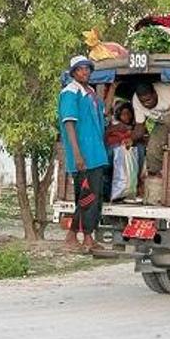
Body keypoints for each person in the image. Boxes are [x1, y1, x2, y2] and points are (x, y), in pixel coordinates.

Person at [58, 55, 109, 250]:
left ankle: (73, 236)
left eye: (87, 68)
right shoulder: (70, 92)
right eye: (80, 69)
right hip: (84, 154)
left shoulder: (90, 93)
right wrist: (77, 154)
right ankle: (87, 237)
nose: (85, 72)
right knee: (89, 197)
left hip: (95, 153)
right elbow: (69, 123)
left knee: (87, 197)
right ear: (73, 73)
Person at [132, 82, 170, 177]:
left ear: (155, 93)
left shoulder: (168, 91)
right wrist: (129, 140)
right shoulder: (136, 100)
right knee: (153, 149)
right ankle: (156, 176)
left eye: (148, 100)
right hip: (161, 123)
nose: (146, 104)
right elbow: (140, 127)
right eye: (142, 101)